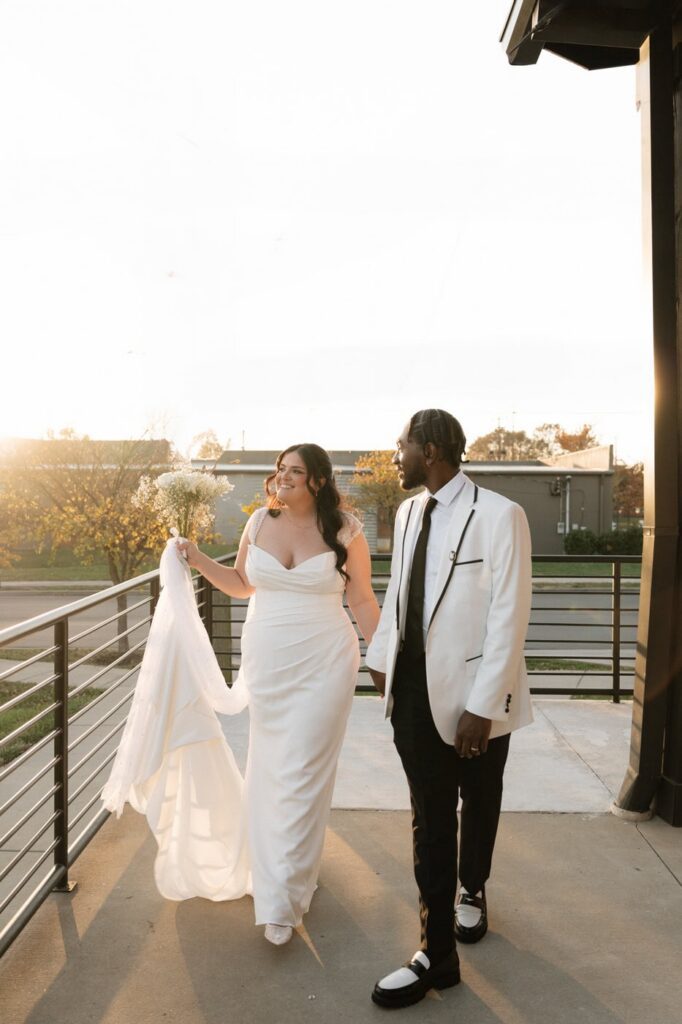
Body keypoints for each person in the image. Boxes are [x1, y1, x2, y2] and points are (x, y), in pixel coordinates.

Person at [175, 443, 380, 945]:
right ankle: (285, 873)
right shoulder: (258, 523)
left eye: (295, 471)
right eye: (280, 469)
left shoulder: (346, 530)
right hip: (269, 663)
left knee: (305, 772)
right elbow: (244, 584)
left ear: (317, 480)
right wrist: (197, 559)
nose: (283, 477)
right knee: (270, 772)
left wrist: (384, 654)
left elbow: (361, 597)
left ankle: (282, 902)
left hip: (326, 663)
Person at [365, 409, 532, 1009]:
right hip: (412, 694)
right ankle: (437, 955)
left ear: (430, 450)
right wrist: (380, 654)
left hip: (474, 700)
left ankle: (474, 888)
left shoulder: (499, 515)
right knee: (430, 821)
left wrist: (483, 707)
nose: (395, 455)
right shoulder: (409, 512)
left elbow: (509, 617)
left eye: (402, 444)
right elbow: (400, 592)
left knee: (479, 799)